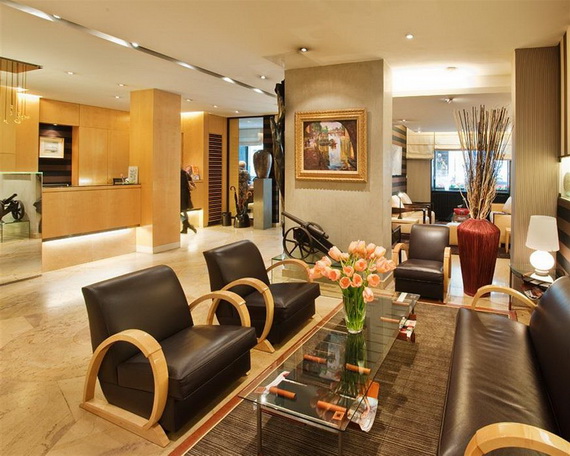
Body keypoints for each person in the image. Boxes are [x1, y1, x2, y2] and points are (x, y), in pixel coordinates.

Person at [180, 167, 197, 234]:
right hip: (186, 194)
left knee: (175, 211)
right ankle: (186, 226)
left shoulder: (177, 173)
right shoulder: (185, 173)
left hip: (180, 194)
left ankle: (186, 225)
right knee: (184, 211)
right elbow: (191, 180)